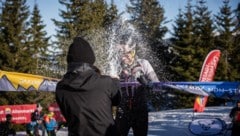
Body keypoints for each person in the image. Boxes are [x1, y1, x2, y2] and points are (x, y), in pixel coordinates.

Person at [55, 36, 122, 136]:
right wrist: (116, 81)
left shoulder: (60, 87)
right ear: (90, 59)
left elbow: (68, 115)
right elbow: (118, 100)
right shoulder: (106, 82)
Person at [115, 42, 159, 136]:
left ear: (133, 52)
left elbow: (157, 86)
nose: (124, 57)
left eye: (127, 53)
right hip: (122, 108)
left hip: (140, 108)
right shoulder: (116, 66)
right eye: (121, 53)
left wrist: (147, 83)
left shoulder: (143, 63)